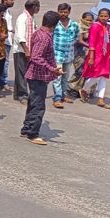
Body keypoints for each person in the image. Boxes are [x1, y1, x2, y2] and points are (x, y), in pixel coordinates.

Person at [21, 11, 63, 146]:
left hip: (37, 75)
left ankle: (27, 128)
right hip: (37, 75)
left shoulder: (39, 32)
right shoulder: (44, 37)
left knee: (33, 103)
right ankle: (32, 133)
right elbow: (36, 56)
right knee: (38, 106)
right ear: (54, 24)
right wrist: (51, 68)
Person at [81, 8, 110, 109]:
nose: (104, 18)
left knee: (104, 76)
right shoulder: (95, 26)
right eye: (101, 16)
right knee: (95, 76)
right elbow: (92, 43)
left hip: (106, 55)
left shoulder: (109, 27)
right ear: (98, 16)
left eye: (106, 16)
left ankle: (101, 99)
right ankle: (84, 89)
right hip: (96, 55)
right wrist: (91, 57)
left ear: (109, 17)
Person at [51, 3, 80, 109]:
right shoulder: (54, 24)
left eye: (65, 12)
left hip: (69, 54)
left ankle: (63, 95)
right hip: (57, 54)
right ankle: (57, 99)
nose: (63, 14)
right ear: (58, 11)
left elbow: (77, 37)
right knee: (57, 77)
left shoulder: (74, 24)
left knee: (65, 77)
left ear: (69, 12)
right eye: (61, 11)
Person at [13, 0, 40, 103]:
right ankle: (23, 95)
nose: (38, 8)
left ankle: (17, 94)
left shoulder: (31, 18)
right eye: (38, 6)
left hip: (28, 49)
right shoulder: (22, 18)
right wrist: (27, 50)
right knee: (22, 73)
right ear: (33, 7)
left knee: (22, 72)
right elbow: (20, 36)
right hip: (21, 50)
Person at [0, 0, 16, 91]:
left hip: (8, 39)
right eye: (11, 0)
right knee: (4, 62)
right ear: (5, 0)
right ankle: (3, 82)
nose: (13, 2)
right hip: (4, 40)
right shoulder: (2, 12)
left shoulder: (8, 11)